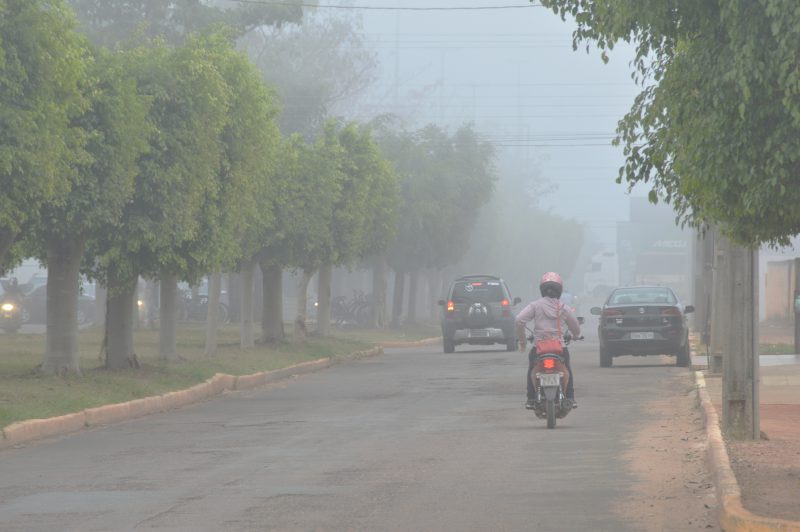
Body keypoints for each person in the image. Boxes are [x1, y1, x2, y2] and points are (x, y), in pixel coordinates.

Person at [516, 271, 581, 410]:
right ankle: (570, 397)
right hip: (559, 348)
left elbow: (519, 320)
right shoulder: (564, 308)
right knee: (567, 369)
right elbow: (576, 328)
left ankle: (531, 398)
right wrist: (576, 335)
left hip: (539, 347)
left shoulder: (535, 306)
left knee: (532, 369)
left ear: (542, 289)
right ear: (559, 290)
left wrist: (522, 341)